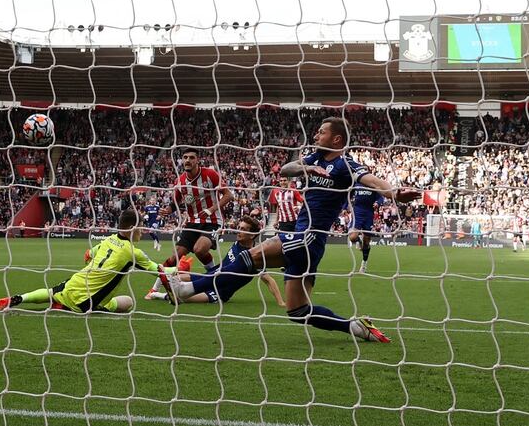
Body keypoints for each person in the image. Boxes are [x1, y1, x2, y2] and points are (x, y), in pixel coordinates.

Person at [165, 117, 420, 343]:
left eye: (322, 132)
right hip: (305, 239)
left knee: (252, 256)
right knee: (297, 312)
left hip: (308, 236)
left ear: (337, 138)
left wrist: (395, 193)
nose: (317, 135)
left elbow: (372, 180)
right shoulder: (316, 157)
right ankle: (355, 326)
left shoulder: (346, 165)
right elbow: (287, 169)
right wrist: (305, 167)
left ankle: (189, 288)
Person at [0, 210, 180, 313]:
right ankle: (72, 306)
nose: (142, 231)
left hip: (75, 283)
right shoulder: (133, 252)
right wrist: (178, 268)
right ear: (131, 228)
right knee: (127, 302)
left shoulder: (108, 239)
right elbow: (161, 271)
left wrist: (94, 259)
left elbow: (88, 254)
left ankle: (20, 298)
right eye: (140, 228)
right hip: (86, 303)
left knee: (52, 292)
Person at [145, 148, 234, 299]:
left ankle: (214, 280)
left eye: (191, 157)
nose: (187, 160)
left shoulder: (210, 175)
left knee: (199, 249)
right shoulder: (180, 181)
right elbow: (175, 202)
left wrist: (210, 210)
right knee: (175, 257)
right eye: (185, 157)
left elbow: (228, 195)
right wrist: (168, 209)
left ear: (197, 160)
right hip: (192, 223)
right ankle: (154, 289)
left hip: (212, 221)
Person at [150, 215, 286, 306]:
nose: (238, 232)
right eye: (239, 228)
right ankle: (157, 289)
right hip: (211, 275)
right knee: (176, 277)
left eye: (243, 230)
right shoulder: (237, 244)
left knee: (185, 299)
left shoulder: (254, 256)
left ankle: (160, 295)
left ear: (253, 235)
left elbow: (269, 280)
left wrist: (281, 302)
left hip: (220, 291)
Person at [348, 183, 385, 273]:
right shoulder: (356, 184)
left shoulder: (373, 184)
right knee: (352, 237)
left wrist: (377, 203)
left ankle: (364, 263)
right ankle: (358, 241)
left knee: (367, 242)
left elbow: (381, 197)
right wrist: (346, 206)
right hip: (357, 213)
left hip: (369, 214)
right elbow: (348, 194)